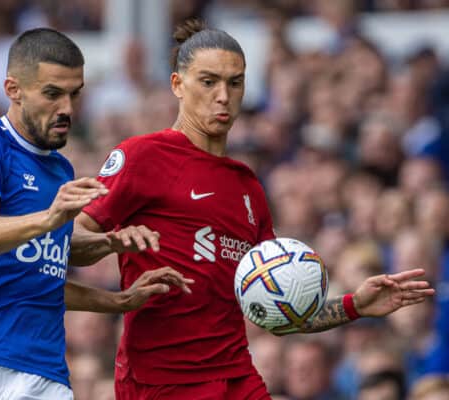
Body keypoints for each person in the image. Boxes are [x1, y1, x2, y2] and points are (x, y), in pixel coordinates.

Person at [74, 19, 435, 400]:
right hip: (161, 381)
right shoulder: (142, 156)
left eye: (235, 82)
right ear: (178, 85)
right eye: (208, 81)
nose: (223, 96)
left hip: (236, 377)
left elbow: (276, 309)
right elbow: (71, 243)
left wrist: (354, 306)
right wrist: (115, 242)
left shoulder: (247, 185)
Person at [0, 28, 193, 400]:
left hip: (45, 373)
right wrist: (51, 218)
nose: (67, 108)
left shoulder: (60, 170)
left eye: (74, 93)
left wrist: (117, 277)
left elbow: (41, 274)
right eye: (52, 93)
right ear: (13, 89)